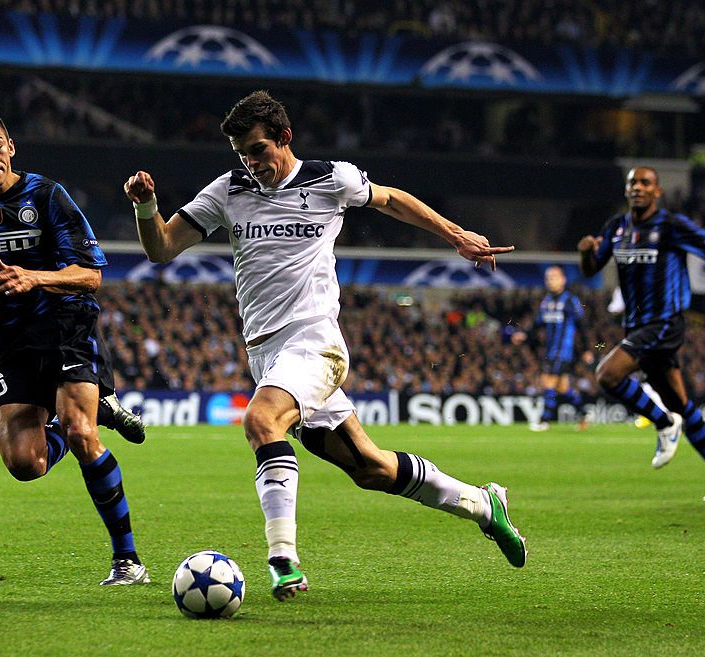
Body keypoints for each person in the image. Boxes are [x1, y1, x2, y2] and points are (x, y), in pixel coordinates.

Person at [123, 90, 527, 600]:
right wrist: (146, 206)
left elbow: (390, 198)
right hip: (267, 354)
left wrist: (454, 235)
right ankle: (482, 504)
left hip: (316, 342)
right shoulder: (228, 191)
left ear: (284, 139)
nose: (253, 164)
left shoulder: (330, 178)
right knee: (371, 469)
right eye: (243, 155)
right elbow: (160, 248)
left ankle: (283, 558)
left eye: (260, 150)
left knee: (259, 421)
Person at [0, 110, 148, 586]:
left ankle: (127, 559)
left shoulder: (46, 196)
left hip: (65, 323)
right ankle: (83, 414)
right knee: (26, 465)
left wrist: (35, 277)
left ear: (12, 147)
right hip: (6, 337)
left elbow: (90, 275)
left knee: (81, 432)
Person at [578, 166, 705, 501]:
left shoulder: (670, 225)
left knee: (607, 375)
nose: (638, 187)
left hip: (665, 322)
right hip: (637, 325)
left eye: (645, 183)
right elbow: (592, 268)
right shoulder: (617, 227)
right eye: (633, 182)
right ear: (626, 190)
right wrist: (585, 252)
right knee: (680, 402)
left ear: (657, 191)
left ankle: (663, 423)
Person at [524, 266, 591, 432]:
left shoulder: (569, 300)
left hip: (563, 350)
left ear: (563, 280)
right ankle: (583, 414)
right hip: (549, 350)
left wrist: (587, 349)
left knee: (547, 381)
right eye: (548, 278)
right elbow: (537, 324)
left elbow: (582, 325)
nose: (550, 281)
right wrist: (524, 334)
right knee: (562, 388)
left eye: (554, 277)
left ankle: (544, 420)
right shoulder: (546, 301)